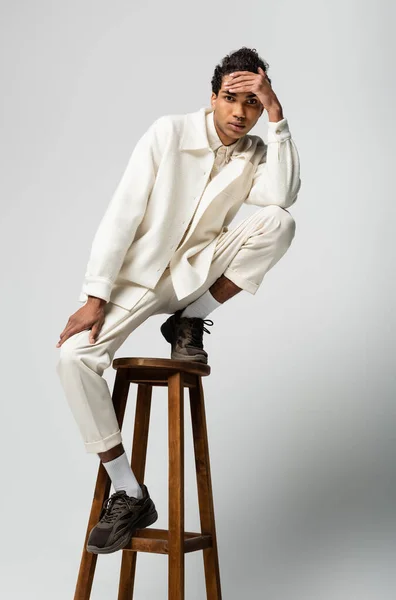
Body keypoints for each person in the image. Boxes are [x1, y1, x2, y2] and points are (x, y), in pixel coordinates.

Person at [55, 46, 301, 554]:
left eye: (252, 104)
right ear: (212, 96)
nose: (240, 112)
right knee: (73, 358)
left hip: (195, 273)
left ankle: (190, 322)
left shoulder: (256, 148)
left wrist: (278, 119)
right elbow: (122, 212)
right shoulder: (168, 133)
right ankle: (128, 489)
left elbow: (282, 194)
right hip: (138, 279)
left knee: (280, 222)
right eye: (232, 99)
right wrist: (96, 295)